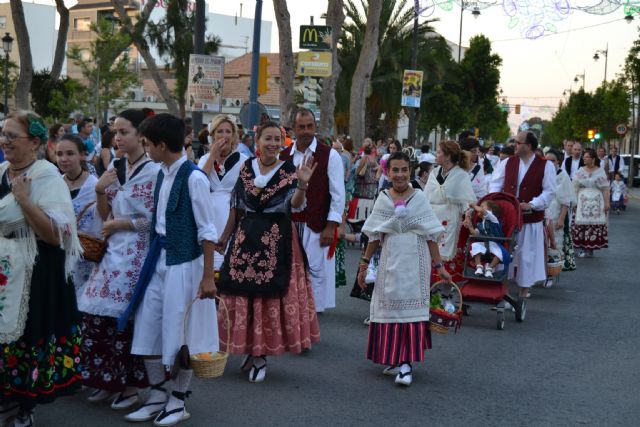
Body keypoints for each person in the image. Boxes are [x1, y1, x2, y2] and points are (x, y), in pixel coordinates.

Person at [119, 113, 219, 426]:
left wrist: (206, 277)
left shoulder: (194, 178)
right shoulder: (163, 172)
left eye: (148, 143)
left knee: (182, 334)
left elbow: (207, 231)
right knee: (148, 328)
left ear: (162, 145)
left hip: (185, 265)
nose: (145, 148)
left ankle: (178, 400)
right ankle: (159, 395)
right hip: (160, 259)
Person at [214, 121, 320, 383]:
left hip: (277, 238)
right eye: (268, 139)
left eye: (277, 140)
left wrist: (303, 185)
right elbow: (236, 207)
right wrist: (224, 237)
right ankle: (251, 348)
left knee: (268, 296)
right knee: (243, 294)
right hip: (245, 236)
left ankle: (261, 355)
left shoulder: (289, 170)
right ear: (257, 141)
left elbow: (293, 206)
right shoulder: (246, 168)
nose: (273, 144)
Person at [0, 111, 83, 426]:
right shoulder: (1, 171)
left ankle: (23, 406)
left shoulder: (46, 175)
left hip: (36, 274)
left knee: (25, 337)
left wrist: (24, 200)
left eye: (11, 135)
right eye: (3, 134)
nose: (4, 141)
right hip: (4, 270)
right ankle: (6, 401)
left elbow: (54, 235)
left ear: (34, 142)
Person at [77, 110, 156, 409]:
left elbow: (154, 220)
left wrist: (123, 224)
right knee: (97, 318)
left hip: (138, 253)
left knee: (125, 322)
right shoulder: (114, 166)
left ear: (141, 134)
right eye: (115, 132)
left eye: (124, 131)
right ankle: (105, 380)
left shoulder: (154, 171)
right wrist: (99, 189)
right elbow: (103, 213)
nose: (118, 137)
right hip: (111, 252)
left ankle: (129, 388)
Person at [357, 151, 450, 387]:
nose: (399, 174)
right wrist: (364, 264)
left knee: (412, 311)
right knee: (390, 307)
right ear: (388, 173)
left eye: (404, 170)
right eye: (395, 170)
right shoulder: (383, 198)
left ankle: (407, 364)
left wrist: (440, 266)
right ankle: (395, 358)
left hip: (415, 261)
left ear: (410, 172)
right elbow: (375, 235)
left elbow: (430, 235)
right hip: (390, 260)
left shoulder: (419, 197)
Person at [280, 108, 345, 313]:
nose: (306, 131)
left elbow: (338, 194)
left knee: (315, 274)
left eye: (310, 126)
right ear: (293, 129)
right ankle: (292, 319)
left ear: (315, 127)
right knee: (289, 273)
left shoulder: (329, 155)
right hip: (288, 226)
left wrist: (331, 226)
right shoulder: (283, 156)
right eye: (301, 127)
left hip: (316, 225)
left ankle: (311, 321)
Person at [490, 131, 556, 298]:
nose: (514, 145)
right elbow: (495, 185)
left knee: (527, 258)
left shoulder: (545, 166)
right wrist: (495, 203)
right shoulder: (507, 163)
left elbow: (549, 192)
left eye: (518, 143)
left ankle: (522, 296)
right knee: (504, 257)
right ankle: (503, 294)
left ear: (528, 146)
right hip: (509, 219)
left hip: (530, 220)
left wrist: (533, 204)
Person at [198, 116, 248, 271]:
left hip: (231, 213)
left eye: (228, 131)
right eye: (220, 131)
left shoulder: (244, 160)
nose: (224, 135)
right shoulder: (205, 159)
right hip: (209, 212)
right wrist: (213, 155)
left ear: (233, 136)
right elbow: (199, 182)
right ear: (213, 135)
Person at [56, 134, 103, 296]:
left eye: (70, 153)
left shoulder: (95, 186)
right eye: (59, 154)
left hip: (87, 257)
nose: (64, 159)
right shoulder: (55, 184)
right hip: (59, 256)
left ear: (82, 155)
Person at [424, 141, 476, 283]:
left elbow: (467, 199)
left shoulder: (461, 175)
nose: (436, 154)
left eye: (439, 152)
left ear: (447, 156)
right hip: (432, 219)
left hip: (450, 219)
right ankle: (429, 291)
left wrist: (467, 215)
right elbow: (425, 197)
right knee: (428, 253)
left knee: (445, 255)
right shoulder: (434, 173)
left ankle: (445, 294)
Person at [572, 148, 609, 257]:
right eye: (584, 157)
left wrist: (607, 203)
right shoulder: (580, 171)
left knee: (593, 225)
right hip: (582, 201)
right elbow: (574, 187)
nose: (584, 158)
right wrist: (574, 202)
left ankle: (590, 248)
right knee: (581, 224)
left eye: (587, 157)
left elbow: (606, 189)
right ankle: (582, 247)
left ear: (593, 159)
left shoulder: (600, 171)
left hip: (596, 201)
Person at [545, 149, 577, 272]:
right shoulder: (541, 173)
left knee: (554, 243)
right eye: (547, 160)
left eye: (553, 161)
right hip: (543, 212)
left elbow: (566, 200)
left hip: (556, 212)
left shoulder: (562, 176)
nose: (550, 163)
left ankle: (551, 272)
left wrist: (561, 219)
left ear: (558, 162)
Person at [465, 200, 508, 279]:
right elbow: (475, 234)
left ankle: (490, 268)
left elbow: (482, 211)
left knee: (500, 253)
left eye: (482, 206)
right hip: (485, 243)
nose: (479, 208)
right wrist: (470, 226)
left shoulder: (493, 218)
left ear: (490, 211)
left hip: (495, 243)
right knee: (474, 245)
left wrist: (474, 205)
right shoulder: (481, 224)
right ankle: (479, 267)